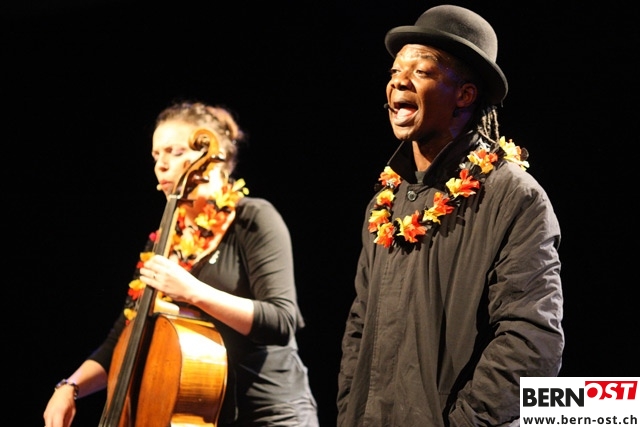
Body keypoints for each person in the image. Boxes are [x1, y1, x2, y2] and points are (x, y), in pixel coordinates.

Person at [337, 5, 564, 426]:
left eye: (421, 71)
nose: (398, 81)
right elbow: (359, 326)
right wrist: (350, 412)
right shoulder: (385, 203)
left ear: (464, 95)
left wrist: (462, 423)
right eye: (394, 72)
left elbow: (532, 341)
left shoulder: (513, 196)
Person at [43, 101, 319, 427]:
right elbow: (127, 334)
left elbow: (281, 321)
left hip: (269, 413)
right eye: (156, 155)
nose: (161, 165)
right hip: (197, 414)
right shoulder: (163, 240)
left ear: (214, 158)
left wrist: (193, 291)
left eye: (174, 152)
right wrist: (71, 386)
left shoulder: (252, 218)